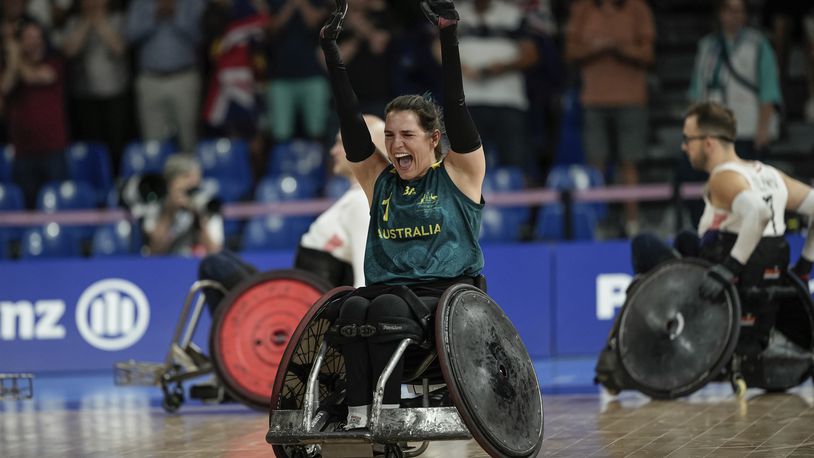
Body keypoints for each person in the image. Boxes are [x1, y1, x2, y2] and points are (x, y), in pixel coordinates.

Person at [320, 0, 486, 430]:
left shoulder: (460, 174)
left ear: (433, 138)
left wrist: (448, 34)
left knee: (382, 305)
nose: (395, 145)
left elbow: (457, 101)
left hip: (445, 297)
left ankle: (389, 413)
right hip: (387, 293)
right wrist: (331, 51)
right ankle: (359, 414)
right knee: (351, 306)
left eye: (407, 135)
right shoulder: (381, 182)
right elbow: (350, 117)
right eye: (390, 135)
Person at [197, 114, 388, 315]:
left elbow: (365, 278)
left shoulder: (361, 202)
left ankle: (233, 344)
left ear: (366, 147)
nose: (333, 151)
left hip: (298, 310)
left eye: (341, 143)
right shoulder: (355, 199)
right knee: (222, 260)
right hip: (294, 297)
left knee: (214, 265)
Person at [630, 101, 814, 297]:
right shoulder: (771, 174)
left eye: (688, 139)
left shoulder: (722, 178)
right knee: (686, 239)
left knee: (644, 243)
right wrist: (804, 267)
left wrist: (729, 269)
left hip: (724, 286)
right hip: (768, 273)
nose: (684, 147)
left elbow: (759, 212)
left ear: (708, 143)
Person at [564, 0, 655, 236]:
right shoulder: (583, 8)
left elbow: (647, 54)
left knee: (629, 163)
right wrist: (598, 48)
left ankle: (632, 223)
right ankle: (596, 223)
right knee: (596, 164)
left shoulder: (637, 8)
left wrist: (617, 48)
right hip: (593, 99)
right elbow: (570, 51)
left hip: (631, 99)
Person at [688, 0, 782, 161]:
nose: (734, 16)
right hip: (713, 131)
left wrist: (763, 129)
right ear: (720, 13)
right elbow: (697, 91)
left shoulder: (758, 44)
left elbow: (769, 90)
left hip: (748, 129)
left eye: (739, 11)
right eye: (729, 10)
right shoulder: (707, 46)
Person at [1, 19, 70, 209]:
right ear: (20, 41)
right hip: (23, 151)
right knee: (27, 208)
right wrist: (13, 61)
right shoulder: (10, 70)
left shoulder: (53, 61)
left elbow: (34, 77)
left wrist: (14, 55)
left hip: (53, 148)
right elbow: (4, 88)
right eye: (27, 37)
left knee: (58, 206)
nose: (33, 42)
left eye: (36, 37)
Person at [140, 154, 224, 256]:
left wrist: (198, 218)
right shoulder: (156, 204)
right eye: (185, 176)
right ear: (170, 182)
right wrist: (168, 213)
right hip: (166, 266)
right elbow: (154, 252)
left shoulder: (207, 204)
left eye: (196, 177)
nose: (192, 183)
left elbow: (214, 252)